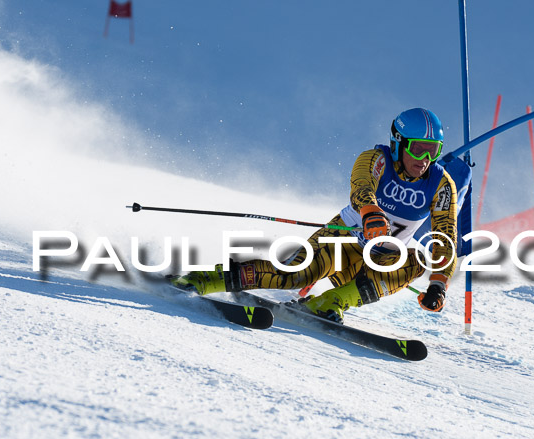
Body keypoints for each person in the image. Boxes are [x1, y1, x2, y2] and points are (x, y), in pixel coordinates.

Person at [172, 108, 459, 323]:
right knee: (295, 274)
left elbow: (445, 235)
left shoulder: (441, 183)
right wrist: (370, 213)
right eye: (418, 149)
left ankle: (330, 302)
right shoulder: (376, 159)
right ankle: (203, 280)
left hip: (380, 260)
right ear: (398, 143)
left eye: (432, 152)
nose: (424, 161)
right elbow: (362, 187)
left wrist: (438, 285)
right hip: (342, 241)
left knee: (419, 259)